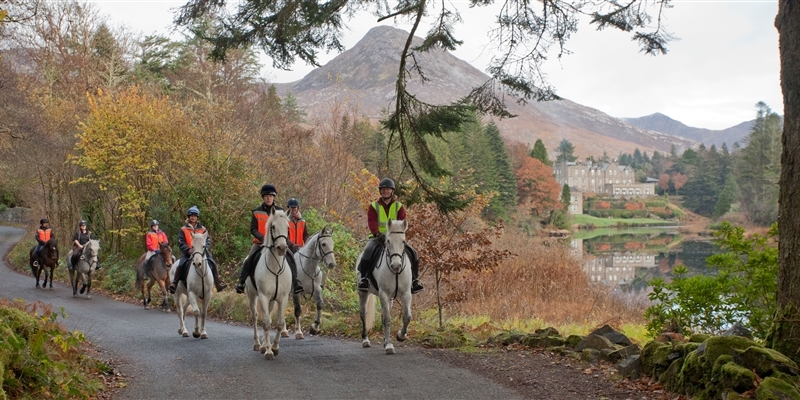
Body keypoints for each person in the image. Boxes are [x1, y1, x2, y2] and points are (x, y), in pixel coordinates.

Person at [357, 178, 424, 294]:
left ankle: (414, 280)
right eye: (383, 189)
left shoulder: (398, 206)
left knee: (414, 253)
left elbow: (402, 222)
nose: (386, 191)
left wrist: (398, 235)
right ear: (380, 191)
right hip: (378, 237)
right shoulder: (374, 206)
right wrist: (377, 233)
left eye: (388, 189)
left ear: (392, 191)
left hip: (395, 238)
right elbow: (372, 222)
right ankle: (365, 278)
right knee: (367, 251)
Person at [234, 184, 303, 295]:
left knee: (290, 256)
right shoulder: (256, 212)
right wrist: (263, 238)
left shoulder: (281, 211)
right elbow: (253, 229)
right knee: (249, 259)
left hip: (277, 242)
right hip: (260, 243)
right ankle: (241, 282)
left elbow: (285, 227)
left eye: (270, 196)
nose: (268, 198)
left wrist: (298, 218)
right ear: (263, 197)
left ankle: (296, 282)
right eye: (266, 196)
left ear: (274, 197)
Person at [168, 206, 227, 293]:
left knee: (213, 263)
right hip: (189, 252)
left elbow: (208, 240)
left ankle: (218, 283)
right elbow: (181, 242)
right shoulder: (183, 229)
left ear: (197, 217)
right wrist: (188, 250)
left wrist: (206, 248)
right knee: (180, 265)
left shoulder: (203, 229)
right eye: (191, 216)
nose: (193, 217)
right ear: (188, 217)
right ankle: (174, 284)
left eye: (195, 216)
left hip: (201, 252)